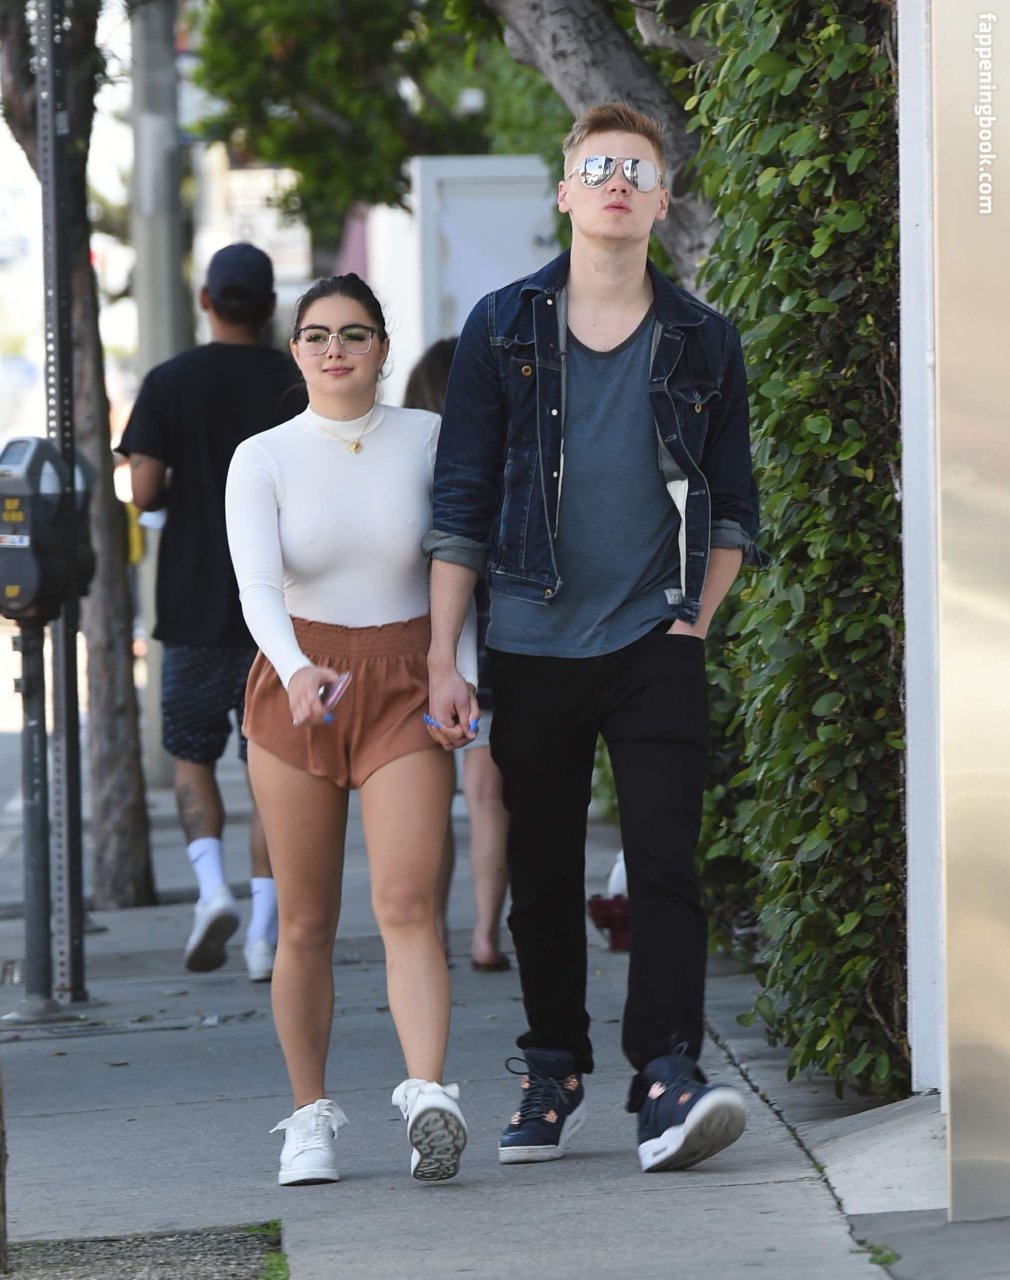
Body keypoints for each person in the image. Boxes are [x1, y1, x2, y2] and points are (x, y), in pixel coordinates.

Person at [424, 101, 764, 1173]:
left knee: (664, 864)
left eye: (639, 170)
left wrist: (692, 621)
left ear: (660, 203)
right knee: (539, 869)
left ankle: (665, 1074)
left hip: (654, 638)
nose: (619, 181)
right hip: (529, 639)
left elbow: (733, 508)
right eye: (600, 167)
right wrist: (444, 656)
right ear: (567, 191)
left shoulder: (704, 338)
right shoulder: (502, 327)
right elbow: (461, 501)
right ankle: (553, 1069)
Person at [225, 274, 476, 1187]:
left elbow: (457, 563)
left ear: (383, 347)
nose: (336, 350)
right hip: (300, 685)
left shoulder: (430, 437)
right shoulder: (262, 456)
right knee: (305, 920)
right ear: (295, 350)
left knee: (408, 904)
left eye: (355, 334)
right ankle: (308, 1120)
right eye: (318, 335)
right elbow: (258, 586)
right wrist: (296, 669)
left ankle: (428, 1096)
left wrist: (459, 671)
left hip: (408, 679)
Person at [120, 242, 305, 982]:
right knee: (272, 768)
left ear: (205, 300)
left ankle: (210, 892)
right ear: (270, 307)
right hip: (282, 610)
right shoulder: (295, 380)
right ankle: (263, 934)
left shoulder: (169, 382)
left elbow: (143, 489)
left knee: (191, 755)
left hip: (193, 604)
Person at [403, 338, 510, 972]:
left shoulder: (414, 467)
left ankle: (434, 934)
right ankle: (487, 937)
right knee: (490, 799)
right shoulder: (503, 453)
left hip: (432, 649)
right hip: (499, 644)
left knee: (431, 802)